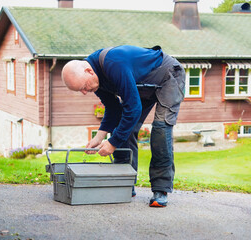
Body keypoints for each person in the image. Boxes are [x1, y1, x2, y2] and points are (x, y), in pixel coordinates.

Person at [61, 45, 185, 207]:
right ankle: (125, 183)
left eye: (84, 87)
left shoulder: (114, 64)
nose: (85, 92)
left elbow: (133, 108)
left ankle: (160, 189)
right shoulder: (96, 79)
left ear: (88, 72)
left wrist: (113, 143)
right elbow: (113, 109)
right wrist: (99, 137)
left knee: (160, 129)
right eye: (81, 91)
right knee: (125, 127)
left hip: (168, 76)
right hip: (143, 86)